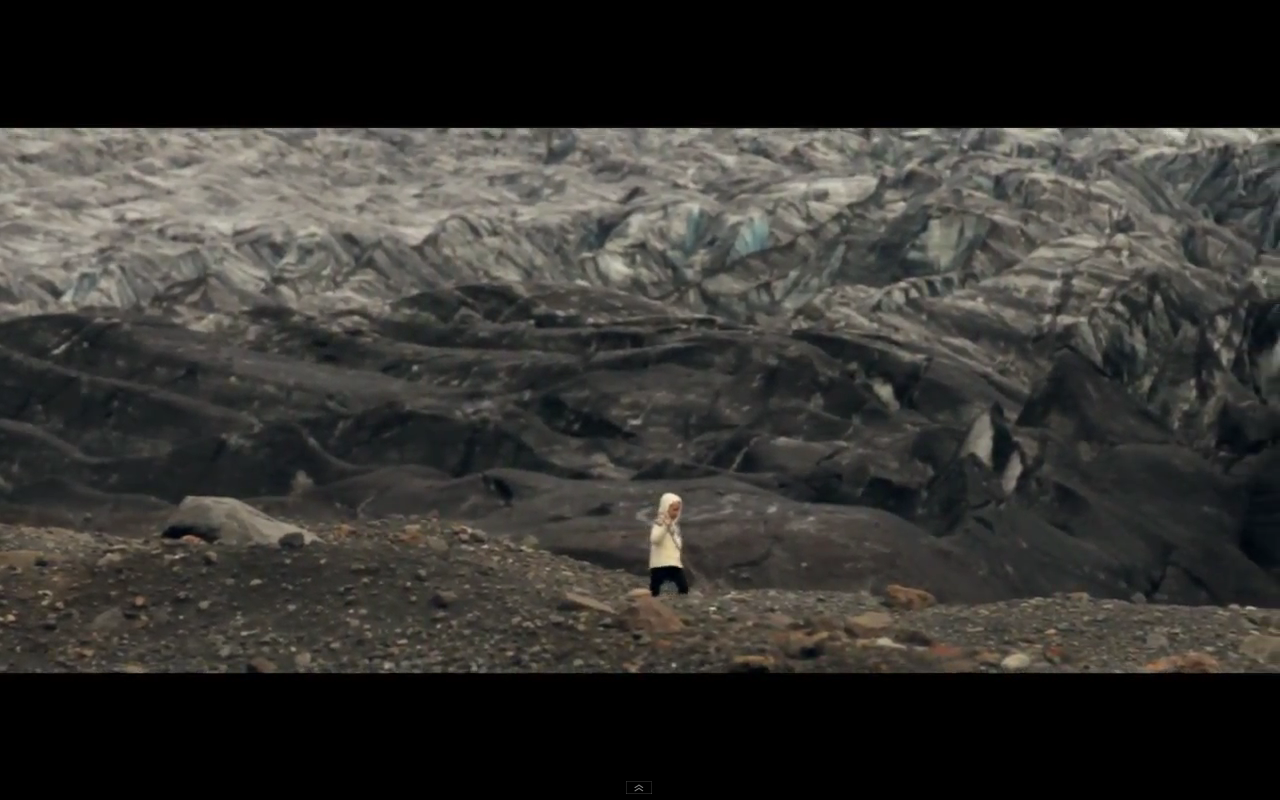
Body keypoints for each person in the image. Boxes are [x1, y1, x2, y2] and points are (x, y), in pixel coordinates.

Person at [648, 492, 689, 596]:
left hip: (673, 563)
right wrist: (665, 527)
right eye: (674, 510)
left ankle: (681, 602)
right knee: (655, 589)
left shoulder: (674, 526)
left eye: (678, 510)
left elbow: (678, 544)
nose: (676, 513)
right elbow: (654, 539)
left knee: (683, 587)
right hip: (660, 563)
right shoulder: (660, 523)